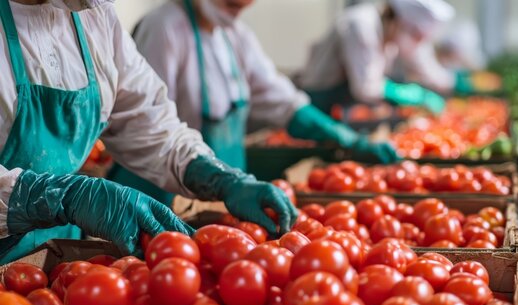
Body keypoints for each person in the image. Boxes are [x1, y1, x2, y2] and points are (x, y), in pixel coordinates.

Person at [0, 0, 297, 263]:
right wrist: (58, 197)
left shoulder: (94, 18)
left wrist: (217, 176)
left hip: (55, 257)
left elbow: (148, 119)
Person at [107, 0, 400, 207]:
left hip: (216, 192)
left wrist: (345, 137)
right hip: (157, 193)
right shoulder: (164, 27)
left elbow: (282, 101)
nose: (240, 6)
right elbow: (146, 123)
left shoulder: (235, 35)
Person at [298, 0, 466, 113]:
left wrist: (453, 81)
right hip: (320, 97)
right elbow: (365, 88)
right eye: (415, 36)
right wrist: (404, 93)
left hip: (345, 103)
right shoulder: (361, 25)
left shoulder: (394, 33)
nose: (417, 43)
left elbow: (424, 65)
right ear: (397, 20)